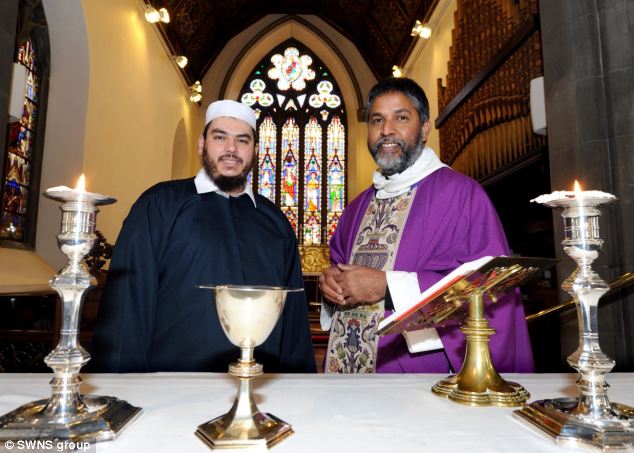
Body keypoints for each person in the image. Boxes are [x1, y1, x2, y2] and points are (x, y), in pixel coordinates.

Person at [319, 77, 534, 374]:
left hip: (416, 373)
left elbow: (491, 287)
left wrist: (388, 286)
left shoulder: (462, 195)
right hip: (345, 368)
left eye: (401, 118)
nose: (386, 131)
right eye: (377, 120)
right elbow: (339, 267)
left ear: (424, 129)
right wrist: (330, 284)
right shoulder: (356, 207)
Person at [91, 100, 316, 373]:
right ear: (202, 144)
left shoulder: (276, 222)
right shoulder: (160, 205)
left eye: (242, 140)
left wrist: (297, 388)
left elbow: (292, 323)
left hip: (260, 390)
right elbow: (127, 306)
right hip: (172, 391)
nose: (231, 149)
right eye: (220, 137)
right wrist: (124, 391)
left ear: (255, 151)